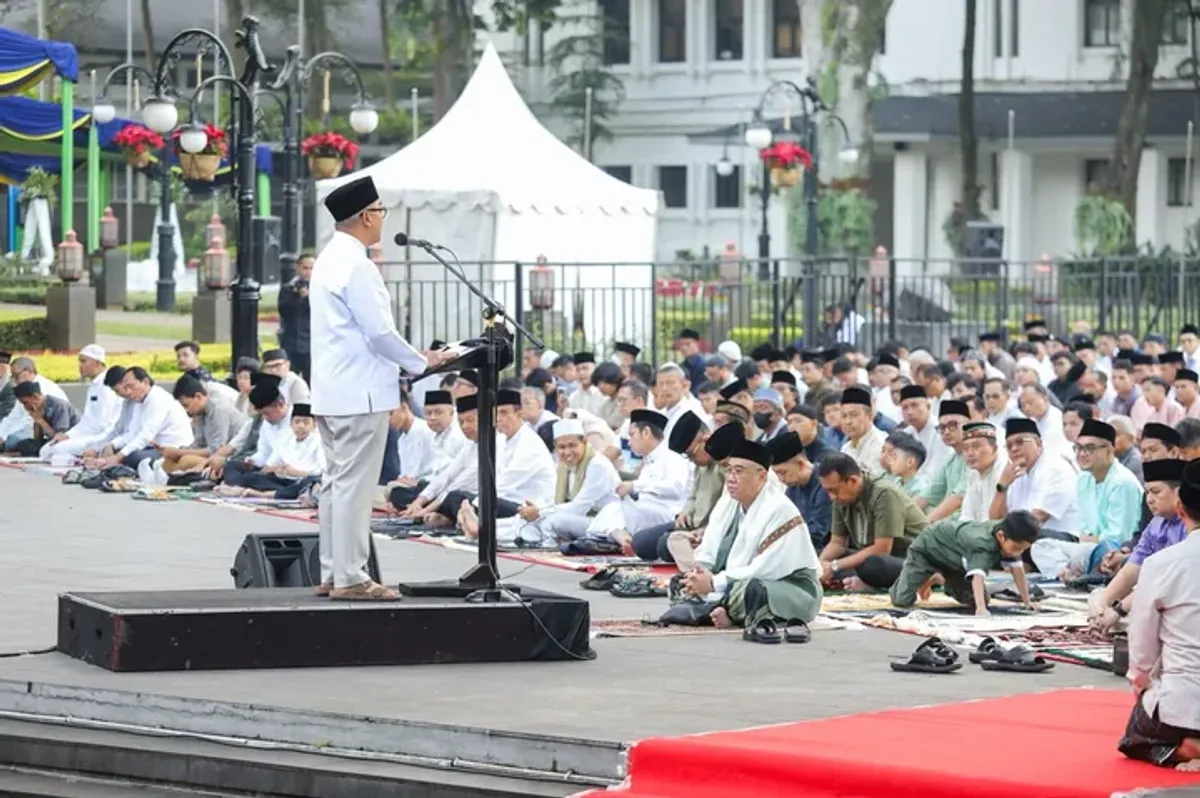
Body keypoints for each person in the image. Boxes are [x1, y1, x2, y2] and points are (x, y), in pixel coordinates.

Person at [311, 175, 443, 600]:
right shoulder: (357, 265)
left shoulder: (327, 259)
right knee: (353, 487)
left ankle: (333, 571)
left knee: (336, 483)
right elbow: (380, 332)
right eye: (381, 211)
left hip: (333, 391)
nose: (383, 219)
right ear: (367, 216)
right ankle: (350, 577)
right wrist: (422, 362)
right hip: (359, 392)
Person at [685, 438, 824, 637]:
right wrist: (700, 573)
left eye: (739, 471)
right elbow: (710, 549)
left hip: (789, 587)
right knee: (682, 583)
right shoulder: (728, 504)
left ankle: (720, 608)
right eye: (728, 470)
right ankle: (722, 608)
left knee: (750, 591)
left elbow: (765, 569)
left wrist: (714, 583)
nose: (730, 478)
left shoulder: (780, 510)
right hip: (737, 580)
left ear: (761, 476)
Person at [1118, 461, 1200, 771]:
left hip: (1183, 706)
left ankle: (1188, 746)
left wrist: (1141, 685)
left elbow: (1142, 647)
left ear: (1180, 509)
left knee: (1136, 735)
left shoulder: (1161, 564)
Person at [1089, 458, 1186, 633]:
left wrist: (1119, 610)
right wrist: (1102, 607)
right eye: (1147, 493)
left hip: (1178, 597)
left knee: (1145, 617)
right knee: (1097, 597)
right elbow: (1130, 572)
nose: (1150, 500)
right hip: (1152, 594)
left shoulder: (1190, 524)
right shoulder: (1156, 523)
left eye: (1156, 492)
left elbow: (1166, 582)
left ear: (1179, 493)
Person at [496, 418, 621, 546]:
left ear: (584, 442)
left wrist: (539, 512)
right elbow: (556, 503)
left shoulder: (597, 465)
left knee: (556, 522)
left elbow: (578, 508)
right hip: (582, 518)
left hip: (606, 523)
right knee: (526, 521)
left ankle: (542, 542)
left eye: (572, 445)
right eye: (562, 447)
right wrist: (536, 510)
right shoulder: (564, 467)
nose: (567, 452)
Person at [889, 511, 1040, 616]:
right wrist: (981, 609)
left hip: (955, 562)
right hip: (928, 550)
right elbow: (978, 576)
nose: (1018, 552)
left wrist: (1027, 602)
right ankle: (918, 577)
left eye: (1023, 549)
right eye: (1016, 548)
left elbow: (1018, 571)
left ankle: (940, 578)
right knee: (901, 600)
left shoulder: (1010, 536)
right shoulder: (982, 543)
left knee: (980, 599)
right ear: (1001, 536)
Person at [584, 408, 691, 554]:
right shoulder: (649, 460)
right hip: (649, 510)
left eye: (632, 435)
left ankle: (620, 537)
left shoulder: (672, 455)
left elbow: (676, 487)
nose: (629, 442)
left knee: (623, 508)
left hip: (670, 513)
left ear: (646, 432)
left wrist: (634, 486)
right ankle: (621, 536)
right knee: (616, 505)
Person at [817, 452, 927, 591]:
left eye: (834, 490)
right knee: (818, 556)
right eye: (827, 491)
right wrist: (820, 567)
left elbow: (882, 550)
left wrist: (834, 566)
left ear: (853, 481)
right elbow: (837, 543)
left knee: (872, 565)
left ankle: (872, 582)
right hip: (878, 558)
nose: (831, 497)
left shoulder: (884, 493)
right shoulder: (840, 499)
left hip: (910, 558)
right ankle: (864, 580)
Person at [38, 344, 122, 463]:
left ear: (97, 363)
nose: (80, 365)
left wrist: (75, 437)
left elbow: (103, 424)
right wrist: (68, 435)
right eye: (80, 361)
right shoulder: (94, 385)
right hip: (88, 433)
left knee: (56, 450)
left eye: (84, 361)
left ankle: (86, 459)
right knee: (45, 450)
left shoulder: (106, 385)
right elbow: (87, 420)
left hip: (101, 436)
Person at [768, 431, 832, 550]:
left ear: (800, 464)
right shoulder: (793, 487)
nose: (781, 479)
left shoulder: (825, 482)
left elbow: (818, 532)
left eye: (783, 472)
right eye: (777, 474)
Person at [7, 381, 78, 456]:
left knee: (30, 447)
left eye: (25, 403)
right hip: (53, 440)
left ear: (35, 397)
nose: (25, 407)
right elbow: (37, 439)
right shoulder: (39, 408)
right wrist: (37, 421)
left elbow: (59, 438)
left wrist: (41, 420)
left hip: (69, 441)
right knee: (20, 443)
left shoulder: (58, 406)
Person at [277, 252, 313, 382]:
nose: (308, 272)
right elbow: (283, 310)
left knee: (312, 381)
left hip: (311, 344)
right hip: (291, 343)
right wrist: (298, 297)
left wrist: (308, 298)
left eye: (312, 268)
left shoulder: (320, 289)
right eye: (305, 268)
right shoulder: (288, 288)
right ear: (298, 268)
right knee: (288, 381)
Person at [838, 386, 887, 476]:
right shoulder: (846, 447)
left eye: (854, 415)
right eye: (844, 416)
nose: (848, 421)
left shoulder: (881, 445)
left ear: (869, 415)